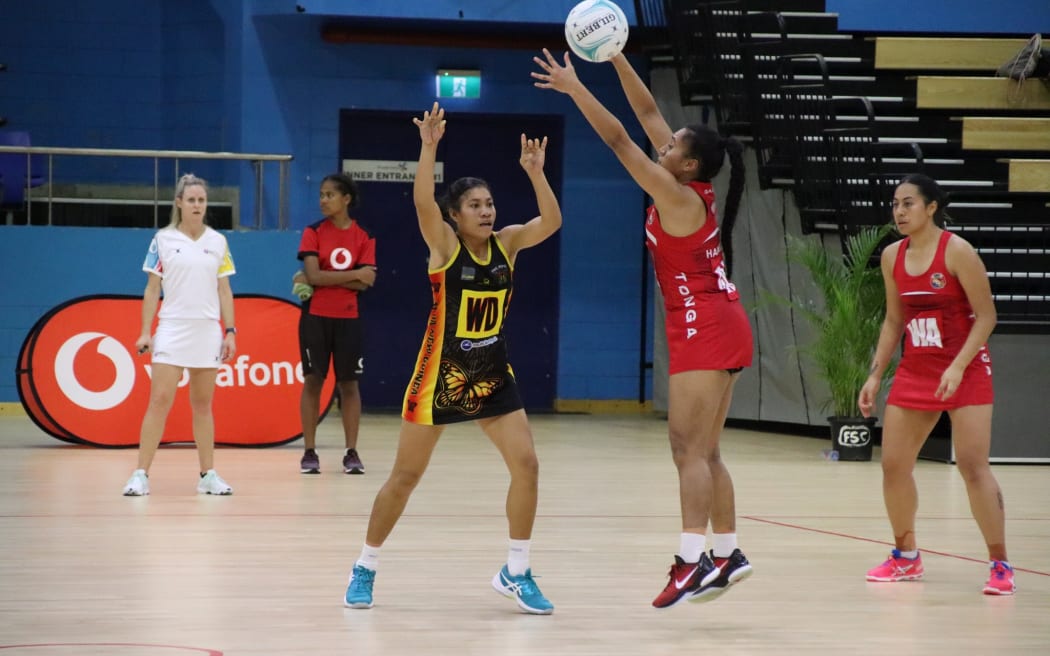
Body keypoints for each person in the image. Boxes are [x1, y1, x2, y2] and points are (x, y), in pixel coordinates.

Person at [532, 50, 754, 608]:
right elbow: (648, 110)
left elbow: (619, 142)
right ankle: (727, 553)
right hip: (716, 322)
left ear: (687, 166)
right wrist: (615, 55)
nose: (665, 143)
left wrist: (575, 87)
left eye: (674, 145)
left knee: (687, 450)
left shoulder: (676, 196)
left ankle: (689, 562)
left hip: (705, 324)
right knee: (706, 450)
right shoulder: (683, 180)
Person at [343, 102, 562, 614]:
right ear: (455, 215)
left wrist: (536, 173)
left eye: (490, 203)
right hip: (439, 377)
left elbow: (551, 220)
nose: (487, 211)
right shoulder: (443, 248)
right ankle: (365, 565)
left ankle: (518, 570)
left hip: (492, 375)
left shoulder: (508, 244)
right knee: (405, 478)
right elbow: (422, 203)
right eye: (476, 205)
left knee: (527, 465)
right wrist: (428, 147)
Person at [858, 174, 1013, 595]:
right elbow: (894, 321)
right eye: (895, 204)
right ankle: (906, 557)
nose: (899, 211)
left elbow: (987, 317)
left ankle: (1000, 563)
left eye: (909, 203)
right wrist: (875, 374)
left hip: (965, 366)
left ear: (931, 208)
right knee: (893, 465)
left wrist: (958, 366)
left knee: (971, 465)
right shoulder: (892, 256)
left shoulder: (958, 251)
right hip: (917, 368)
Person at [122, 173, 237, 496]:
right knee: (159, 401)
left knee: (202, 405)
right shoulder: (162, 240)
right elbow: (152, 288)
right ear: (179, 203)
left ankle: (208, 475)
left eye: (202, 200)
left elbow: (225, 290)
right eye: (191, 200)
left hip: (207, 332)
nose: (197, 205)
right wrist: (146, 331)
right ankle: (140, 474)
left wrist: (230, 331)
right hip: (172, 329)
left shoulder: (218, 242)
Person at [295, 173, 377, 475]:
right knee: (313, 381)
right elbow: (313, 276)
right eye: (321, 194)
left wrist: (326, 279)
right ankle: (309, 452)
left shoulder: (364, 236)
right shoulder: (313, 232)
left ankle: (351, 452)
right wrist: (354, 275)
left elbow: (366, 285)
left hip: (349, 320)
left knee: (349, 384)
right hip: (315, 318)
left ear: (347, 199)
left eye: (329, 194)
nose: (323, 200)